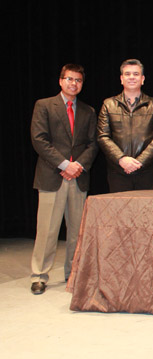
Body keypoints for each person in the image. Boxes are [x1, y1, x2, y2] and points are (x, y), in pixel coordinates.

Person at [29, 64, 98, 294]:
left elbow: (93, 144)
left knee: (76, 230)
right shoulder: (44, 105)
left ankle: (73, 273)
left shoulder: (88, 111)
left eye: (78, 80)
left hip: (78, 177)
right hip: (52, 176)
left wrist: (77, 165)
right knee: (47, 230)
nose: (73, 84)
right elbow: (39, 140)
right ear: (60, 81)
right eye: (69, 79)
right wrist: (64, 164)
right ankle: (39, 275)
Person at [97, 59, 153, 192]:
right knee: (119, 212)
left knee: (147, 212)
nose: (132, 77)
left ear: (142, 79)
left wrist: (140, 162)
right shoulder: (108, 104)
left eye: (136, 74)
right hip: (118, 172)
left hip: (147, 172)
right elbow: (103, 136)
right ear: (121, 79)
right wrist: (122, 159)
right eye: (127, 74)